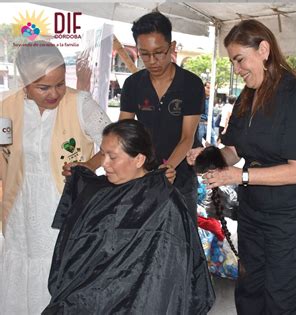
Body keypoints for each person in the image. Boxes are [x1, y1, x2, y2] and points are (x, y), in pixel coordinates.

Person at [187, 19, 296, 314]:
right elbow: (234, 151)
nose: (236, 69)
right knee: (249, 295)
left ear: (263, 49)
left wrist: (241, 176)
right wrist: (207, 157)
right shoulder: (246, 98)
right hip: (254, 215)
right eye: (233, 62)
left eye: (239, 60)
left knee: (282, 301)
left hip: (292, 221)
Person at [43, 119, 214, 314]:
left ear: (139, 159)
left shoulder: (165, 204)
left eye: (112, 157)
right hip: (89, 298)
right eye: (103, 154)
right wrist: (79, 176)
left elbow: (168, 275)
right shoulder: (96, 193)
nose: (104, 164)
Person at [0, 41, 111, 314]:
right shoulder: (6, 108)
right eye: (43, 87)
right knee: (20, 265)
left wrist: (88, 165)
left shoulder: (80, 104)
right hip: (19, 208)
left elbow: (115, 142)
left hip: (62, 207)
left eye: (60, 84)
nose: (55, 93)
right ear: (24, 82)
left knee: (57, 266)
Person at [119, 12, 204, 223]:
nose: (152, 61)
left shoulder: (191, 85)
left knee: (182, 240)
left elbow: (187, 137)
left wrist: (168, 167)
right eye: (144, 54)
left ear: (172, 47)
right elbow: (123, 131)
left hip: (181, 177)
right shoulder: (133, 84)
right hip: (143, 176)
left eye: (159, 53)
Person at [198, 81, 217, 145]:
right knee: (197, 145)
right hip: (200, 125)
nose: (210, 90)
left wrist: (213, 128)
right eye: (208, 87)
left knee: (213, 144)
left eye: (212, 88)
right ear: (204, 87)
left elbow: (211, 115)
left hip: (208, 125)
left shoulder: (210, 100)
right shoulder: (198, 98)